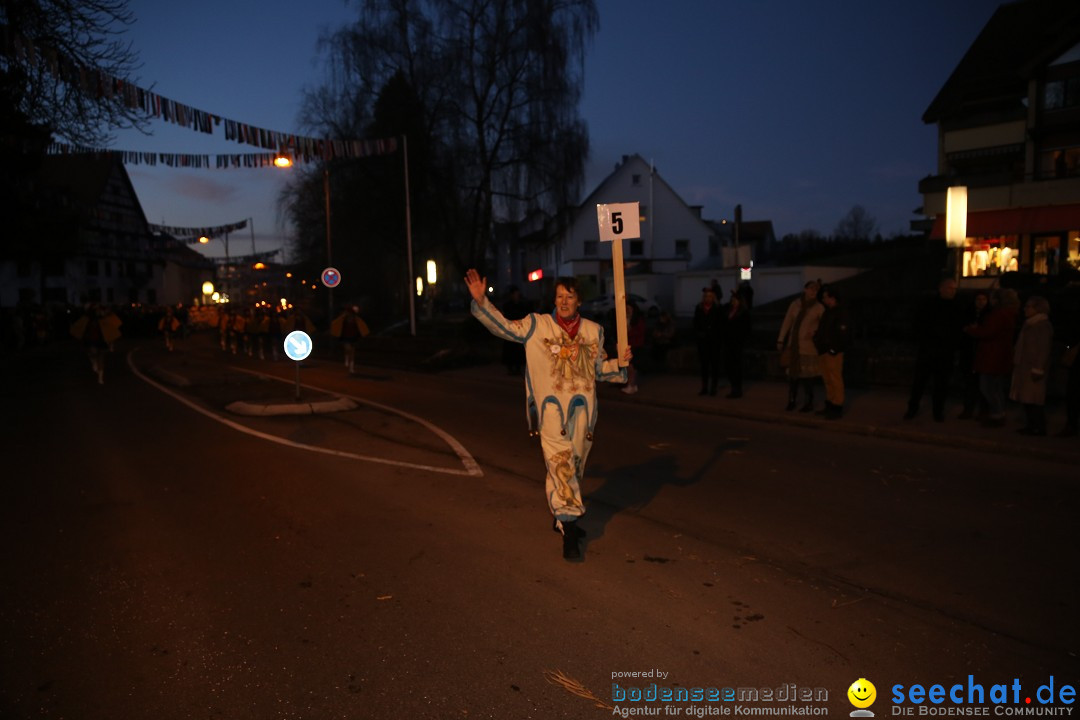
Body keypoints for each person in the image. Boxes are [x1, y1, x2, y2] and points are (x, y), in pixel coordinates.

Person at [465, 268, 630, 561]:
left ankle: (561, 520)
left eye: (570, 296)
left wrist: (621, 362)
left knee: (574, 466)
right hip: (551, 410)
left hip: (582, 414)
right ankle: (569, 526)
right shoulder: (536, 325)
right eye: (559, 296)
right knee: (560, 464)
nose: (564, 301)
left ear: (579, 300)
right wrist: (482, 303)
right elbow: (503, 327)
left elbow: (598, 371)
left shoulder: (594, 331)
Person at [904, 278, 963, 422]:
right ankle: (912, 408)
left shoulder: (956, 307)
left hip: (945, 352)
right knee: (920, 382)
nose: (953, 291)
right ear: (941, 289)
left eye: (954, 289)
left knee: (941, 384)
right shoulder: (929, 305)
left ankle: (938, 411)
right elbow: (918, 324)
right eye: (950, 288)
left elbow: (958, 329)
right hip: (928, 350)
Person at [964, 288, 1020, 428]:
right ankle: (998, 413)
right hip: (999, 354)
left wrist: (971, 330)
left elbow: (988, 332)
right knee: (995, 387)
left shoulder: (999, 314)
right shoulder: (1009, 314)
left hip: (992, 355)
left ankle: (997, 414)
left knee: (988, 387)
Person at [777, 280, 824, 412]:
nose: (813, 291)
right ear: (805, 290)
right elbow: (787, 322)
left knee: (808, 377)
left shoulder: (819, 307)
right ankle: (791, 400)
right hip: (794, 346)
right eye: (811, 288)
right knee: (793, 376)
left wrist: (815, 332)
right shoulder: (795, 305)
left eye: (816, 289)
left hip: (808, 347)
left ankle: (808, 402)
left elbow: (824, 325)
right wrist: (781, 339)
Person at [1010, 296, 1054, 436]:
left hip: (1033, 367)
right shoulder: (1030, 324)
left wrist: (1038, 368)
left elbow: (1043, 349)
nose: (1025, 309)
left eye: (1029, 307)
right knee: (1027, 398)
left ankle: (1038, 427)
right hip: (1025, 366)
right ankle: (1032, 425)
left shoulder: (1042, 326)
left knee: (1034, 399)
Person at [813, 285, 849, 419]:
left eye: (825, 297)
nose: (823, 299)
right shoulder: (829, 312)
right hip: (825, 350)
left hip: (832, 351)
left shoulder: (840, 313)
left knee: (835, 379)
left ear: (832, 298)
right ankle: (830, 405)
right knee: (828, 379)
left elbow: (843, 334)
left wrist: (834, 349)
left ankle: (837, 407)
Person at [957, 291, 990, 419]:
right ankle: (968, 409)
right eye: (978, 299)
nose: (981, 302)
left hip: (983, 355)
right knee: (969, 385)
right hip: (969, 354)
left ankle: (983, 411)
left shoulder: (989, 315)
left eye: (983, 299)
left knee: (983, 385)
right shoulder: (968, 313)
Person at [693, 286, 723, 396]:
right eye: (706, 296)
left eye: (710, 296)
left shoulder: (718, 308)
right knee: (704, 365)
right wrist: (699, 334)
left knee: (714, 365)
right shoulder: (699, 308)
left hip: (714, 341)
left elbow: (720, 325)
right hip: (703, 341)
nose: (708, 298)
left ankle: (713, 387)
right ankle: (704, 387)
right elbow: (695, 323)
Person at [721, 289, 751, 398]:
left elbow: (746, 329)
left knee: (736, 367)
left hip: (737, 344)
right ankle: (734, 387)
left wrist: (741, 340)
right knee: (728, 365)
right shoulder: (728, 311)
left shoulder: (743, 313)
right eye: (732, 299)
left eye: (735, 300)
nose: (733, 301)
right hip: (728, 342)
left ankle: (737, 389)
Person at [331, 305, 371, 374]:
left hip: (353, 337)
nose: (348, 313)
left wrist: (363, 333)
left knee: (352, 352)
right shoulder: (343, 319)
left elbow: (362, 326)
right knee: (347, 349)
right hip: (345, 337)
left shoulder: (356, 319)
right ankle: (346, 358)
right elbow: (336, 323)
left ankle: (351, 368)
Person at [500, 286, 530, 375]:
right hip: (510, 330)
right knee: (510, 350)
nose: (517, 296)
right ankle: (511, 368)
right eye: (515, 294)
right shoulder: (508, 305)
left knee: (518, 350)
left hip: (519, 330)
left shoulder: (521, 305)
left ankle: (517, 368)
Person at [622, 300, 646, 394]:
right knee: (629, 367)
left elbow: (640, 332)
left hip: (636, 345)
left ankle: (631, 385)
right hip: (628, 345)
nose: (627, 310)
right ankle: (631, 385)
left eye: (629, 308)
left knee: (631, 367)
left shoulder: (638, 319)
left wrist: (628, 333)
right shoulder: (626, 318)